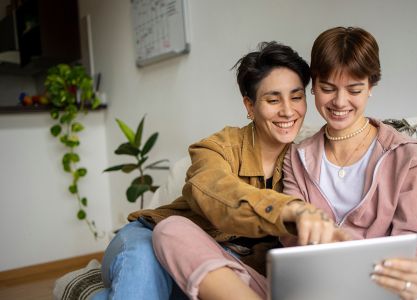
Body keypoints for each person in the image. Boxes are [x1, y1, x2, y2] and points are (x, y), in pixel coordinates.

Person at [94, 41, 345, 300]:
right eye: (272, 99)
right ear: (249, 106)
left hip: (214, 261)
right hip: (148, 236)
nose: (288, 110)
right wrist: (290, 209)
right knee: (145, 260)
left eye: (296, 97)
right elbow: (216, 191)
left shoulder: (304, 161)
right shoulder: (216, 148)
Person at [281, 26, 417, 300]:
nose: (339, 101)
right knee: (183, 233)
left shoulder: (416, 159)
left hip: (377, 289)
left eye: (354, 89)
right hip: (312, 288)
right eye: (327, 88)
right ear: (313, 87)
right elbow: (290, 237)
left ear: (371, 86)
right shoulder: (296, 157)